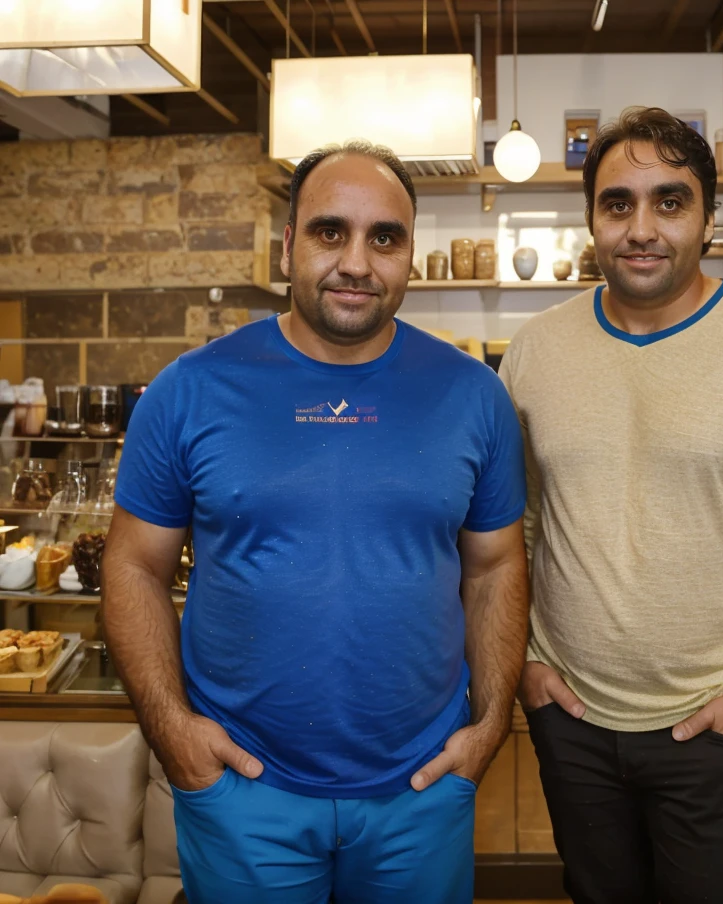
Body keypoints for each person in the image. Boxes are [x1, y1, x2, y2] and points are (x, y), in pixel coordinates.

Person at [102, 140, 529, 904]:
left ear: (409, 252)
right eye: (331, 232)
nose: (358, 262)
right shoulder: (189, 391)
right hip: (242, 789)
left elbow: (496, 565)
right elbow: (135, 566)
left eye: (385, 238)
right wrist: (174, 734)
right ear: (289, 241)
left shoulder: (475, 396)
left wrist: (490, 726)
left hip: (423, 788)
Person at [499, 107, 723, 904]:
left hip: (719, 730)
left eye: (670, 201)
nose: (642, 228)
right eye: (617, 203)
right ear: (591, 218)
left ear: (708, 218)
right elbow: (512, 528)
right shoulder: (535, 352)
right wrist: (524, 659)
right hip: (574, 724)